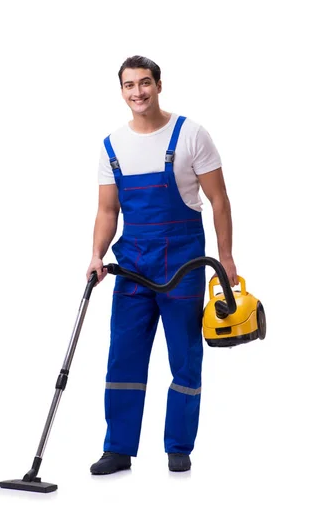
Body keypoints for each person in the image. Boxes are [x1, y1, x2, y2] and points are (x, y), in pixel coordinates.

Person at [86, 55, 238, 475]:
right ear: (121, 90)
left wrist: (225, 259)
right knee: (124, 356)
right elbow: (106, 211)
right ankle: (118, 449)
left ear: (158, 84)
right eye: (129, 85)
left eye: (145, 82)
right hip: (133, 263)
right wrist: (97, 254)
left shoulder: (191, 135)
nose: (138, 92)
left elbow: (219, 201)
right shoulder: (112, 146)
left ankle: (178, 446)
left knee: (184, 356)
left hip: (183, 265)